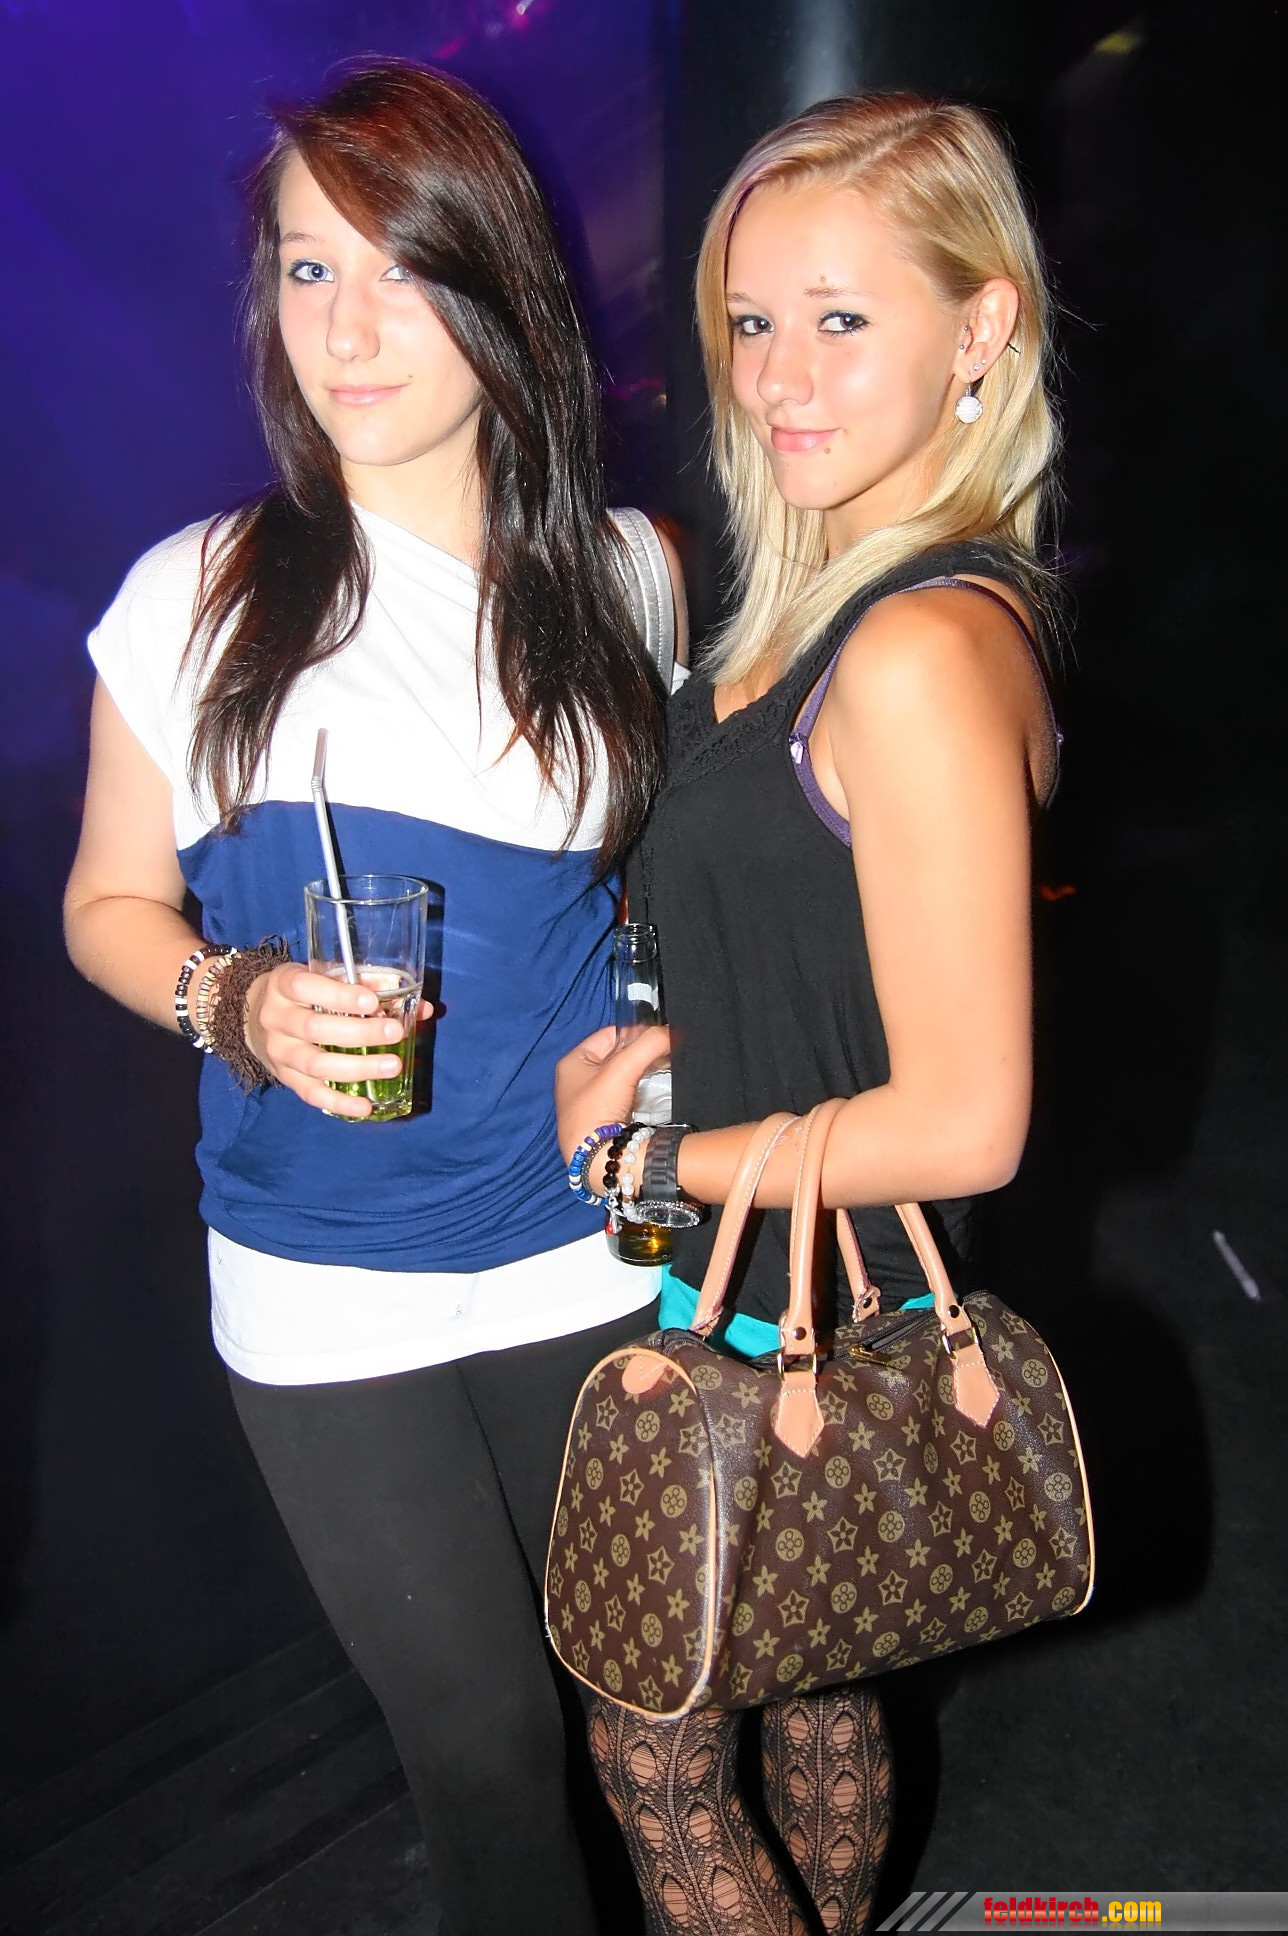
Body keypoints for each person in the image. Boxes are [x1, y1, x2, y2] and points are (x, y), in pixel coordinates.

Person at [64, 61, 686, 1936]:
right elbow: (104, 904)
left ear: (501, 285)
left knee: (652, 1720)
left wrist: (672, 1028)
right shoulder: (195, 596)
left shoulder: (632, 579)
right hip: (325, 1280)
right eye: (305, 269)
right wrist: (236, 997)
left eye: (398, 270)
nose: (343, 328)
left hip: (584, 1249)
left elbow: (669, 891)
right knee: (484, 1755)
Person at [555, 92, 1062, 1935]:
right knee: (816, 1673)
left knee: (655, 1752)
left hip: (795, 1264)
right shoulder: (834, 608)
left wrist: (655, 1157)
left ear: (982, 327)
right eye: (752, 320)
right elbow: (822, 935)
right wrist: (676, 1043)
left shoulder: (917, 645)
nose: (778, 375)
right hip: (806, 1261)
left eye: (843, 318)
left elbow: (970, 1119)